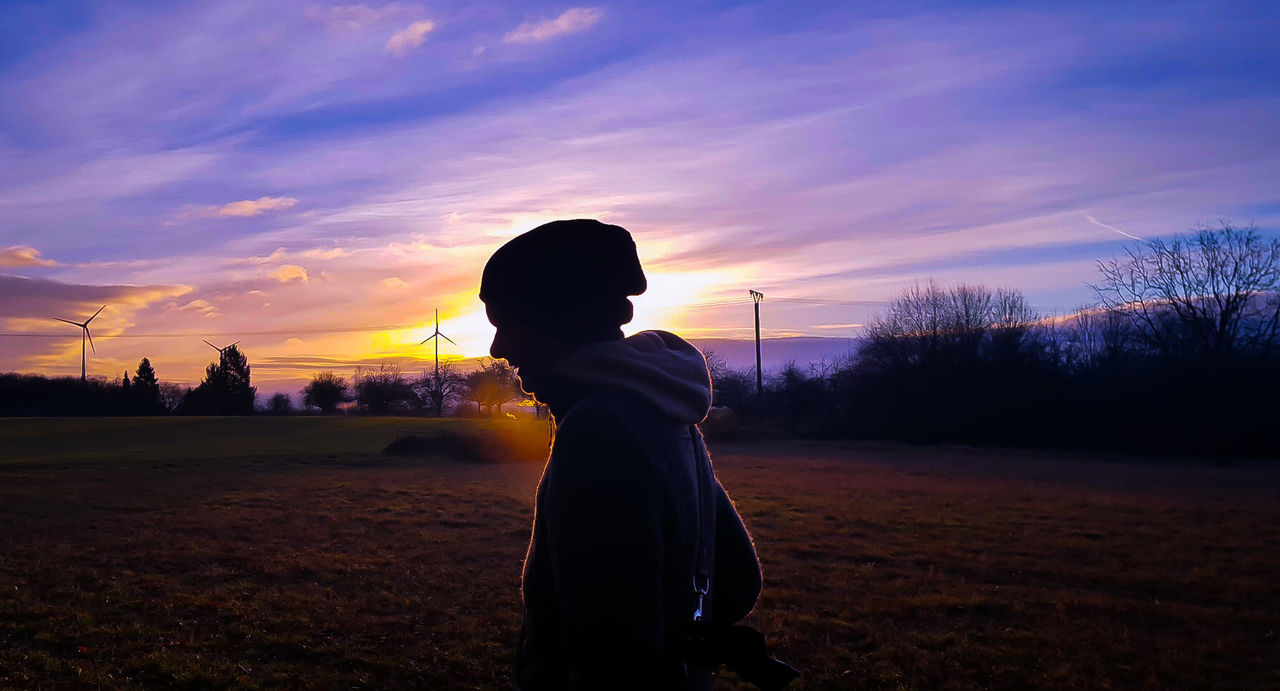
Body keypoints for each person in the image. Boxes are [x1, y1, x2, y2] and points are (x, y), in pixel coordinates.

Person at [480, 219, 764, 690]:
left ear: (558, 316)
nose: (498, 348)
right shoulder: (662, 411)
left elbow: (611, 659)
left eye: (507, 325)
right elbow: (738, 581)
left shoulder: (598, 434)